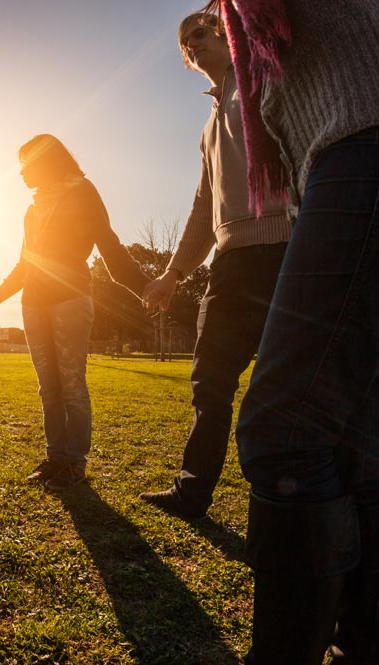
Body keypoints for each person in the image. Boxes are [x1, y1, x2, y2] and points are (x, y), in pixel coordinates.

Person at [204, 0, 379, 662]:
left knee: (284, 430)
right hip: (339, 174)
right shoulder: (252, 31)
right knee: (354, 446)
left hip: (364, 153)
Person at [138, 11, 291, 519]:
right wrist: (172, 274)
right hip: (230, 265)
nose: (192, 46)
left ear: (228, 32)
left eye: (199, 33)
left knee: (287, 387)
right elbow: (204, 207)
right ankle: (192, 492)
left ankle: (286, 501)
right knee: (210, 383)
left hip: (287, 252)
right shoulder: (208, 127)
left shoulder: (267, 78)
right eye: (185, 44)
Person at [0, 134, 149, 491]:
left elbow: (111, 248)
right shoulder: (32, 209)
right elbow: (25, 265)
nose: (21, 174)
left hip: (70, 299)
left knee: (72, 384)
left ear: (46, 160)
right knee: (48, 387)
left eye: (25, 165)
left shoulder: (83, 192)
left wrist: (147, 286)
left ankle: (75, 464)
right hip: (33, 304)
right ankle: (55, 458)